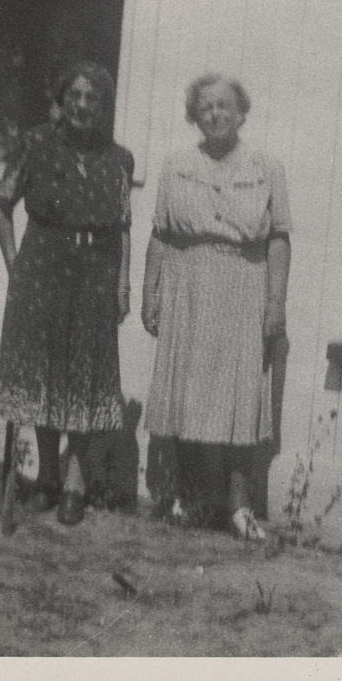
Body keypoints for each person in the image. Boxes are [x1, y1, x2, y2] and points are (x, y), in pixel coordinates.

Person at [141, 73, 292, 541]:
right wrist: (151, 292)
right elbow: (161, 235)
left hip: (243, 287)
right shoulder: (176, 164)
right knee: (187, 392)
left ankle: (239, 507)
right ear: (194, 115)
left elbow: (279, 239)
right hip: (188, 287)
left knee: (240, 397)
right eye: (205, 107)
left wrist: (275, 302)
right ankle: (189, 499)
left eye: (224, 106)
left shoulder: (267, 167)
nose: (214, 114)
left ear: (241, 112)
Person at [0, 61, 134, 527]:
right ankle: (47, 479)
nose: (82, 106)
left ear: (103, 107)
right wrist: (15, 268)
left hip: (94, 274)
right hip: (42, 269)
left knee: (86, 378)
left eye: (93, 99)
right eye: (74, 95)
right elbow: (2, 205)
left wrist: (122, 281)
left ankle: (75, 484)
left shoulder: (119, 159)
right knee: (46, 373)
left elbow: (123, 228)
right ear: (62, 99)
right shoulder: (35, 145)